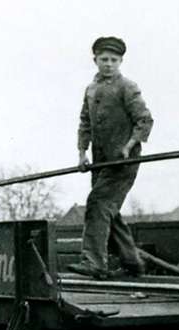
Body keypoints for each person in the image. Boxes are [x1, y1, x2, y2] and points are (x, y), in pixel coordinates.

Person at [67, 36, 154, 280]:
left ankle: (94, 263)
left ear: (121, 61)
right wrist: (82, 153)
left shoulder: (127, 86)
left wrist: (129, 146)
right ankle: (132, 263)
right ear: (95, 60)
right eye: (104, 59)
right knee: (108, 209)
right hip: (99, 162)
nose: (108, 64)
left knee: (98, 203)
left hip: (123, 162)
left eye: (114, 60)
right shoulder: (91, 89)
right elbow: (84, 123)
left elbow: (145, 120)